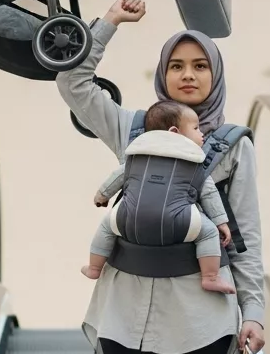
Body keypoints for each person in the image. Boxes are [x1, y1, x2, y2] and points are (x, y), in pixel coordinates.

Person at [57, 0, 266, 354]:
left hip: (203, 311)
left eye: (200, 66)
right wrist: (107, 25)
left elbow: (245, 237)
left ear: (215, 75)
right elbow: (74, 84)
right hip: (125, 306)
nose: (188, 75)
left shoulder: (231, 146)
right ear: (163, 74)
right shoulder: (133, 129)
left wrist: (255, 314)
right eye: (178, 65)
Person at [84, 100, 234, 294]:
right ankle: (211, 277)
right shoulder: (194, 165)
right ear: (174, 133)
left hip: (129, 216)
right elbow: (209, 194)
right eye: (196, 128)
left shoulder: (136, 158)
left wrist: (101, 196)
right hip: (181, 220)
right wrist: (221, 222)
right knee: (208, 233)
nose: (201, 133)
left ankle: (94, 268)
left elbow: (117, 178)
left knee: (106, 226)